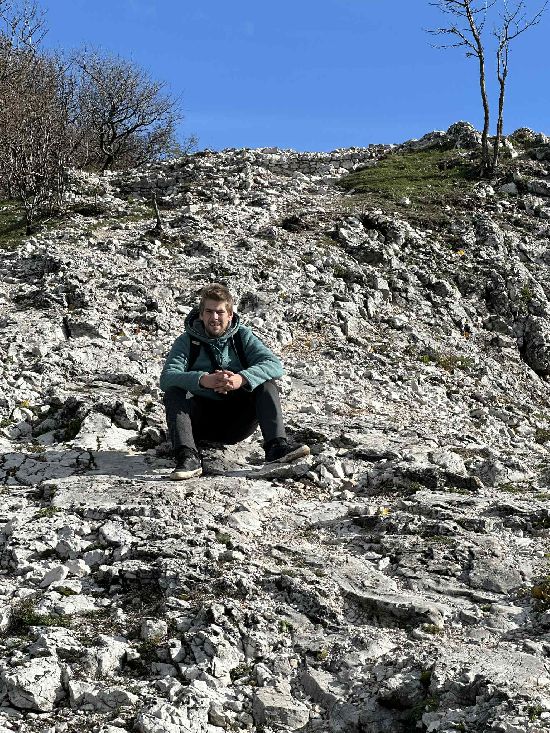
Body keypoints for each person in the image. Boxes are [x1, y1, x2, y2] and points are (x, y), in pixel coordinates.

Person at [160, 283, 309, 480]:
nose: (214, 317)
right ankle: (187, 456)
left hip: (238, 423)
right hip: (201, 422)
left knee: (266, 384)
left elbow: (274, 365)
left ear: (230, 315)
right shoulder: (186, 341)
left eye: (220, 312)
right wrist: (203, 380)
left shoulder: (242, 337)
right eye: (209, 312)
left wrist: (241, 378)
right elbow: (167, 377)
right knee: (173, 392)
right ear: (201, 315)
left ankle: (276, 447)